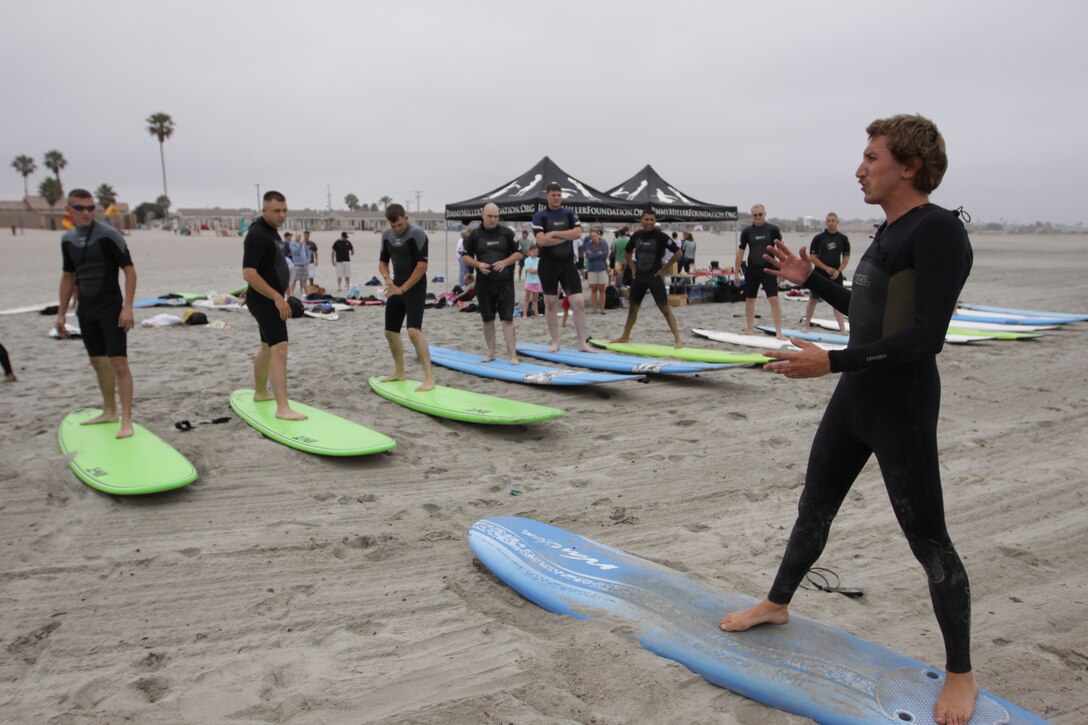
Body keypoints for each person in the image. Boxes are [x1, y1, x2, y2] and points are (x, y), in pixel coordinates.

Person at [719, 114, 978, 725]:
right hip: (856, 399)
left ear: (909, 166)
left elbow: (923, 337)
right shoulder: (888, 232)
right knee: (815, 506)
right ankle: (777, 603)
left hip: (902, 407)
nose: (859, 168)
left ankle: (961, 675)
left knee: (929, 542)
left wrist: (831, 360)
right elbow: (873, 313)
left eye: (871, 157)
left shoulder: (938, 232)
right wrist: (815, 281)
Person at [55, 189, 137, 438]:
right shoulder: (67, 240)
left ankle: (126, 420)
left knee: (119, 362)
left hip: (111, 306)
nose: (86, 213)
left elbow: (130, 271)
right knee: (98, 362)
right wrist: (61, 314)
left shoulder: (109, 235)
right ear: (69, 210)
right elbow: (68, 277)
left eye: (91, 208)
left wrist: (128, 307)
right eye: (80, 208)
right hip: (86, 309)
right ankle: (109, 410)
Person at [241, 191, 306, 420]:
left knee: (268, 347)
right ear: (264, 210)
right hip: (268, 302)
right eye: (276, 211)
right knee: (280, 348)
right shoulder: (257, 234)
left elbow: (262, 269)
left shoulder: (271, 232)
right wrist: (277, 298)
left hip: (262, 298)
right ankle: (283, 408)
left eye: (284, 210)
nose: (281, 215)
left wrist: (253, 291)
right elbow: (248, 272)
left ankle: (261, 393)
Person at [379, 204, 435, 391]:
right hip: (396, 286)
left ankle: (429, 378)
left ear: (406, 218)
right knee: (390, 332)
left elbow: (422, 267)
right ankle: (400, 372)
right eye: (393, 226)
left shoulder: (417, 234)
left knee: (413, 331)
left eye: (400, 225)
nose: (397, 229)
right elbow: (383, 262)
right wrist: (387, 278)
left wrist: (402, 289)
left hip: (415, 286)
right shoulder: (387, 236)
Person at [531, 182, 591, 352]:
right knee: (550, 303)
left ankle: (582, 343)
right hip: (547, 264)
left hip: (567, 263)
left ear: (561, 196)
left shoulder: (569, 214)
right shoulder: (539, 216)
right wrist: (567, 236)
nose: (556, 198)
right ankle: (555, 341)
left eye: (559, 195)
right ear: (547, 196)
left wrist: (555, 234)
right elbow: (541, 241)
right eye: (553, 195)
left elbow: (578, 233)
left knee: (578, 302)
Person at [612, 209, 683, 347]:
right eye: (647, 219)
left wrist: (664, 268)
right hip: (639, 276)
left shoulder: (661, 236)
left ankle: (678, 340)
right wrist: (632, 268)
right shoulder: (636, 236)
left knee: (664, 308)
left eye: (652, 219)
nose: (649, 222)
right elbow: (627, 252)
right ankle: (625, 336)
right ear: (642, 220)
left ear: (655, 221)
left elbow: (678, 253)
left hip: (654, 276)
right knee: (633, 308)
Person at [462, 203, 523, 363]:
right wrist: (477, 265)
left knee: (507, 320)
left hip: (505, 284)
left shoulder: (507, 233)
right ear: (483, 215)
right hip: (484, 284)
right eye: (490, 216)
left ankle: (512, 355)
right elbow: (465, 256)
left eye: (496, 216)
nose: (493, 219)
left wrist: (505, 262)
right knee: (488, 319)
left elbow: (519, 253)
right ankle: (490, 353)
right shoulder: (475, 235)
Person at [735, 204, 785, 338]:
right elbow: (740, 252)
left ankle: (779, 332)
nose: (757, 217)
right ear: (752, 216)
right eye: (755, 215)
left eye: (760, 214)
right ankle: (749, 329)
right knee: (750, 300)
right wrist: (736, 272)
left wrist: (782, 268)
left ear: (764, 214)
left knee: (774, 299)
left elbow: (780, 249)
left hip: (769, 269)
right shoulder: (747, 232)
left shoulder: (773, 229)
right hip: (752, 269)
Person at [801, 213, 851, 332]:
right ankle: (806, 325)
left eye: (833, 220)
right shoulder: (819, 238)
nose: (830, 223)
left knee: (838, 302)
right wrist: (826, 268)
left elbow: (846, 258)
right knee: (813, 300)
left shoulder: (843, 239)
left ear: (837, 222)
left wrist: (839, 270)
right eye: (828, 221)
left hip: (836, 274)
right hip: (819, 273)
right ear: (825, 222)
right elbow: (812, 257)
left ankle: (842, 329)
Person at [583, 226, 610, 314]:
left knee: (602, 290)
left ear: (598, 235)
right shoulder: (588, 244)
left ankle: (602, 308)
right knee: (593, 290)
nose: (593, 238)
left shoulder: (604, 243)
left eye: (595, 236)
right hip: (592, 269)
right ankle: (594, 308)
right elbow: (588, 257)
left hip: (602, 268)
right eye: (592, 236)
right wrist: (598, 253)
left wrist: (593, 254)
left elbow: (605, 256)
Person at [288, 231, 311, 297]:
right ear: (295, 236)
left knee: (304, 280)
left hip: (304, 264)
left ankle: (307, 293)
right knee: (294, 279)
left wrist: (308, 259)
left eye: (300, 236)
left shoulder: (304, 243)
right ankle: (291, 293)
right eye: (298, 236)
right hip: (297, 264)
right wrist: (300, 245)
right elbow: (295, 252)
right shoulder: (292, 244)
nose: (299, 237)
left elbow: (307, 251)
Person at [522, 244, 541, 318]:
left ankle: (536, 313)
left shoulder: (539, 260)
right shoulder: (527, 260)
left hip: (537, 282)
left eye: (536, 251)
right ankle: (524, 314)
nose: (535, 253)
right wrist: (538, 271)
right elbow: (530, 270)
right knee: (526, 298)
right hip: (529, 282)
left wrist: (537, 271)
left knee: (535, 299)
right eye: (533, 251)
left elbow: (542, 270)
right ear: (529, 252)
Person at [282, 232, 295, 297]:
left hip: (287, 262)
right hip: (288, 263)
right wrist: (293, 254)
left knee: (288, 279)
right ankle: (289, 294)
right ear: (286, 236)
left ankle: (289, 294)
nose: (291, 238)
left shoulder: (284, 243)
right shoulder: (286, 244)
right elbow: (287, 254)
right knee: (289, 279)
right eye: (290, 236)